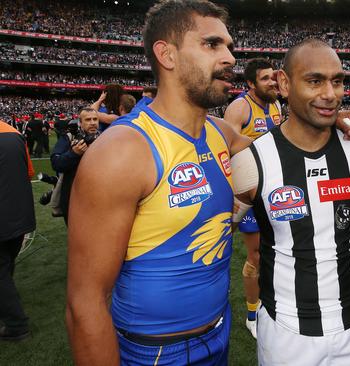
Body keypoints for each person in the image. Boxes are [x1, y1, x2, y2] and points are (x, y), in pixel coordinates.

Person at [65, 1, 250, 365]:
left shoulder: (221, 133)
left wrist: (336, 123)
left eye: (230, 47)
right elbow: (84, 303)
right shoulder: (122, 152)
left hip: (219, 333)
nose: (230, 58)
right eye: (213, 45)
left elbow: (285, 154)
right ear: (166, 54)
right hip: (154, 352)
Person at [231, 39, 350, 366]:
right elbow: (214, 234)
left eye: (337, 81)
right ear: (284, 83)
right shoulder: (253, 162)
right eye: (315, 81)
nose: (330, 93)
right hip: (285, 332)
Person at [223, 57, 282, 338]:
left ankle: (271, 301)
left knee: (277, 250)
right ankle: (251, 313)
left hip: (274, 191)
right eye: (266, 78)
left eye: (274, 77)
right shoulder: (239, 108)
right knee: (257, 254)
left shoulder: (276, 105)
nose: (273, 82)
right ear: (250, 83)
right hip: (248, 192)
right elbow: (225, 150)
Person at [0, 119, 35, 341]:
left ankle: (16, 325)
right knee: (5, 268)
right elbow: (29, 173)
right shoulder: (13, 132)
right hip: (20, 217)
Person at [50, 107, 99, 225]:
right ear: (80, 123)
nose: (92, 122)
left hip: (98, 194)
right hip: (73, 196)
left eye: (95, 119)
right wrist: (74, 153)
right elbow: (56, 163)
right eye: (88, 120)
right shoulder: (68, 138)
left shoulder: (105, 137)